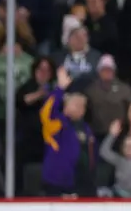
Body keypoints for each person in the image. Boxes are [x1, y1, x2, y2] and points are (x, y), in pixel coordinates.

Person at [39, 67, 95, 198]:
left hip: (78, 183)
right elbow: (46, 112)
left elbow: (91, 155)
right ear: (66, 106)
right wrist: (60, 88)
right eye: (76, 104)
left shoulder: (85, 128)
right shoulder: (56, 123)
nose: (81, 109)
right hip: (55, 183)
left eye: (82, 106)